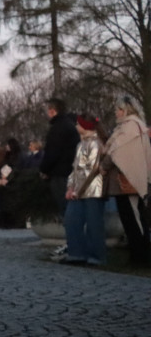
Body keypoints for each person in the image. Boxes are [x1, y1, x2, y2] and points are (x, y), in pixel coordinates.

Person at [102, 95, 151, 265]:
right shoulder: (135, 126)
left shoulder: (130, 127)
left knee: (133, 219)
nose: (116, 112)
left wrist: (104, 165)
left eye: (118, 109)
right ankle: (139, 253)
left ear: (125, 110)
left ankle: (140, 256)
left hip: (128, 181)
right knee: (133, 218)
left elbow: (115, 152)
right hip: (127, 181)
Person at [57, 114, 108, 265]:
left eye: (78, 124)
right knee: (72, 220)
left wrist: (78, 191)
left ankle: (97, 256)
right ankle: (76, 253)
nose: (76, 126)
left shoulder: (95, 144)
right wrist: (70, 187)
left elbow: (91, 170)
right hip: (77, 191)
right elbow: (75, 168)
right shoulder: (80, 144)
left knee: (94, 224)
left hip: (93, 190)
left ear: (85, 126)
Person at [40, 98, 80, 220]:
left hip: (60, 172)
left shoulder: (57, 128)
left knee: (65, 206)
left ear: (52, 111)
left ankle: (71, 234)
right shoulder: (69, 125)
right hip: (69, 170)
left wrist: (44, 169)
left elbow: (52, 152)